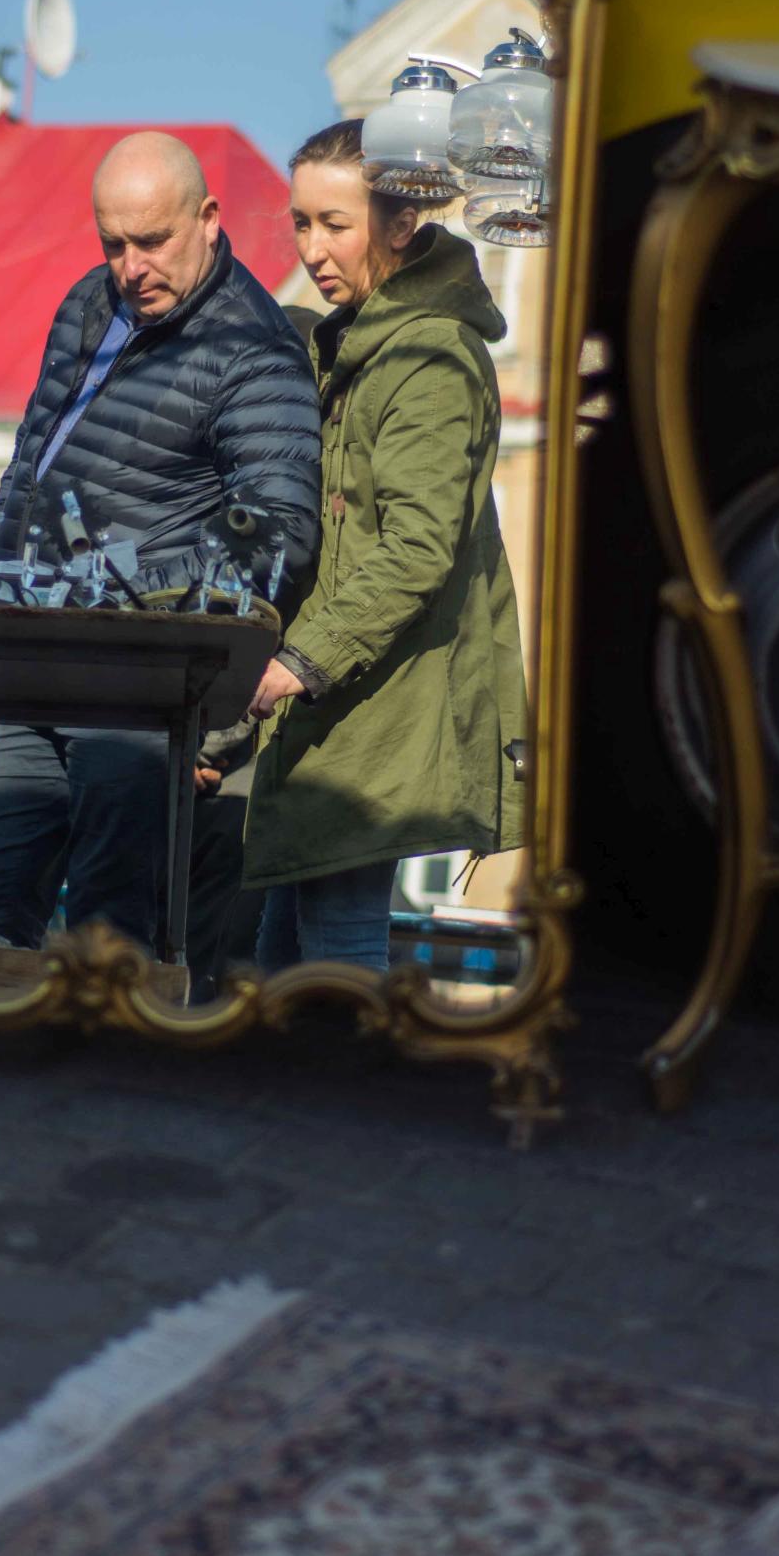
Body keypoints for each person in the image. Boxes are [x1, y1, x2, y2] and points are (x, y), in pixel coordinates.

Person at [0, 129, 321, 954]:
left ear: (209, 219)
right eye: (113, 243)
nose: (131, 266)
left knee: (110, 922)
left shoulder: (256, 351)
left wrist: (129, 600)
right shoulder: (89, 301)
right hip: (36, 655)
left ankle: (103, 1044)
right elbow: (32, 456)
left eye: (152, 241)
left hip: (135, 682)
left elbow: (280, 536)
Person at [241, 118, 528, 968]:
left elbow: (416, 549)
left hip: (382, 708)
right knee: (285, 967)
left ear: (403, 224)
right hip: (342, 705)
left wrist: (299, 663)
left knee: (334, 964)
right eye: (301, 223)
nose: (313, 249)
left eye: (336, 224)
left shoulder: (430, 356)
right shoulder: (357, 344)